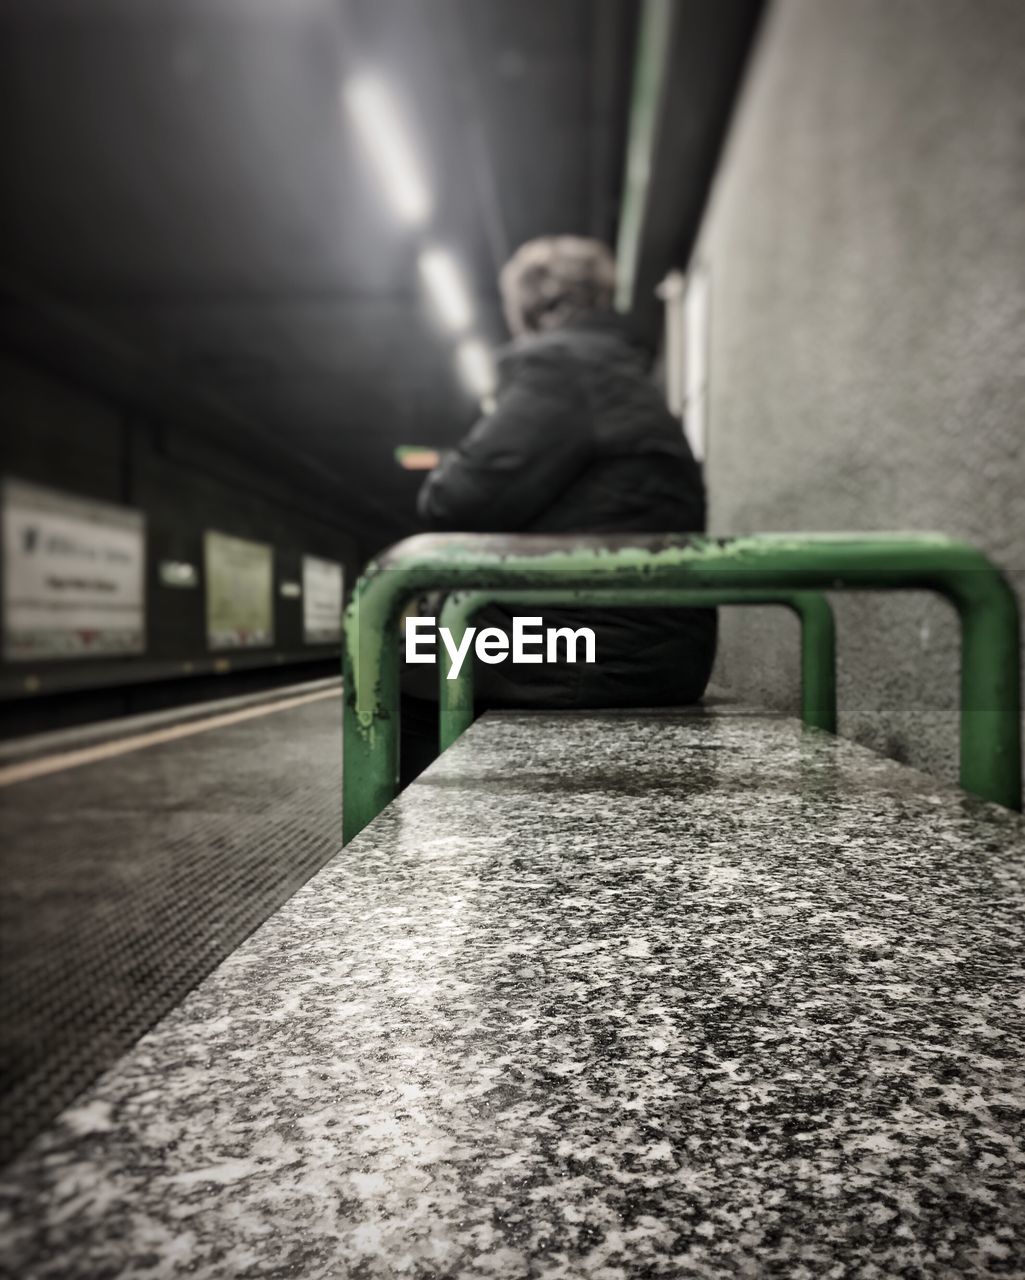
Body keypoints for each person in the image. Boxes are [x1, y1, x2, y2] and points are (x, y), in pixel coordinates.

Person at [401, 235, 716, 783]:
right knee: (432, 638)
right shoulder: (622, 375)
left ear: (530, 308)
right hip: (657, 645)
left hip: (592, 647)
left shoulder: (564, 369)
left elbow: (453, 501)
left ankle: (413, 855)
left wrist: (454, 459)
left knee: (403, 652)